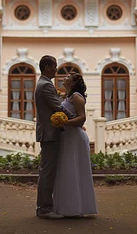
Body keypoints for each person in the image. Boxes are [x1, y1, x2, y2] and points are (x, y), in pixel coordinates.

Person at [52, 73, 98, 217]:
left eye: (67, 77)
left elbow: (82, 118)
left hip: (74, 138)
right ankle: (68, 207)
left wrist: (64, 122)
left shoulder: (76, 96)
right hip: (67, 137)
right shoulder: (67, 96)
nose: (63, 78)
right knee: (66, 169)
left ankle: (76, 208)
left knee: (74, 169)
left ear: (72, 82)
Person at [34, 55, 72, 219]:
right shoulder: (45, 86)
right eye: (54, 66)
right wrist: (77, 119)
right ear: (47, 67)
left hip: (49, 133)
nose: (56, 69)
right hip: (50, 133)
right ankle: (44, 208)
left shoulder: (44, 84)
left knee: (47, 171)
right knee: (48, 172)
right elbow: (58, 108)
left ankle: (44, 207)